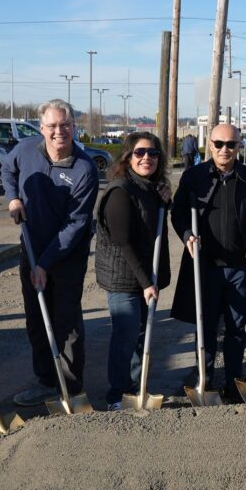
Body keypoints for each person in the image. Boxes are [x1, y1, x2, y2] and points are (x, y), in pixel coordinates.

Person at [2, 98, 99, 407]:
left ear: (74, 128)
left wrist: (44, 263)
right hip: (30, 250)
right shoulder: (26, 149)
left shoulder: (84, 169)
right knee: (36, 318)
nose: (59, 131)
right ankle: (45, 380)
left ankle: (71, 387)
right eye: (53, 126)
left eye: (65, 125)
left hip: (66, 257)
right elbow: (7, 170)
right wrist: (13, 198)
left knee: (66, 322)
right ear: (42, 128)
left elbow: (75, 225)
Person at [170, 124, 246, 400]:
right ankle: (204, 378)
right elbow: (177, 214)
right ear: (209, 145)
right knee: (206, 325)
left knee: (237, 328)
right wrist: (187, 235)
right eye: (219, 143)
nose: (224, 149)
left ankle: (235, 382)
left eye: (231, 144)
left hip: (240, 265)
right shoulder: (193, 177)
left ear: (239, 146)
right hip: (206, 265)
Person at [95, 132, 172, 411]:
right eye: (139, 153)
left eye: (153, 153)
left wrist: (166, 198)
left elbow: (152, 220)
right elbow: (124, 242)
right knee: (125, 335)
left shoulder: (149, 187)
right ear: (128, 157)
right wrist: (145, 282)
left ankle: (137, 388)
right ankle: (117, 394)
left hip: (142, 277)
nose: (146, 158)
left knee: (141, 334)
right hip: (124, 277)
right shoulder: (120, 191)